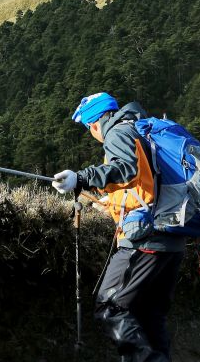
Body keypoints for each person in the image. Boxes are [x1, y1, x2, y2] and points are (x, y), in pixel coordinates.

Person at [52, 92, 185, 362]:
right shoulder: (141, 130)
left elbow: (126, 168)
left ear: (94, 124)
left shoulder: (117, 133)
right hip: (172, 239)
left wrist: (81, 178)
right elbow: (143, 183)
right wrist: (110, 202)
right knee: (150, 315)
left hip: (145, 241)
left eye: (88, 128)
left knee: (109, 304)